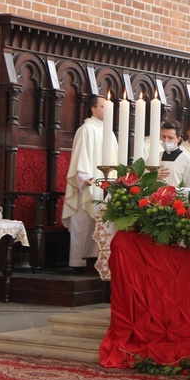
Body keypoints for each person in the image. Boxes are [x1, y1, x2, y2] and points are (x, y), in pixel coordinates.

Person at [62, 95, 118, 271]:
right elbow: (81, 154)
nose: (106, 111)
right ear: (93, 109)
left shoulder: (109, 132)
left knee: (102, 223)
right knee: (84, 222)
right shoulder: (86, 129)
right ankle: (79, 263)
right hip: (89, 184)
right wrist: (83, 177)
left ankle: (99, 261)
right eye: (103, 107)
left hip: (107, 187)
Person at [156, 120, 190, 187]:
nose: (166, 141)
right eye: (164, 137)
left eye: (170, 138)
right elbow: (144, 181)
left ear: (178, 139)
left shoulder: (188, 161)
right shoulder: (155, 158)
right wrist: (153, 176)